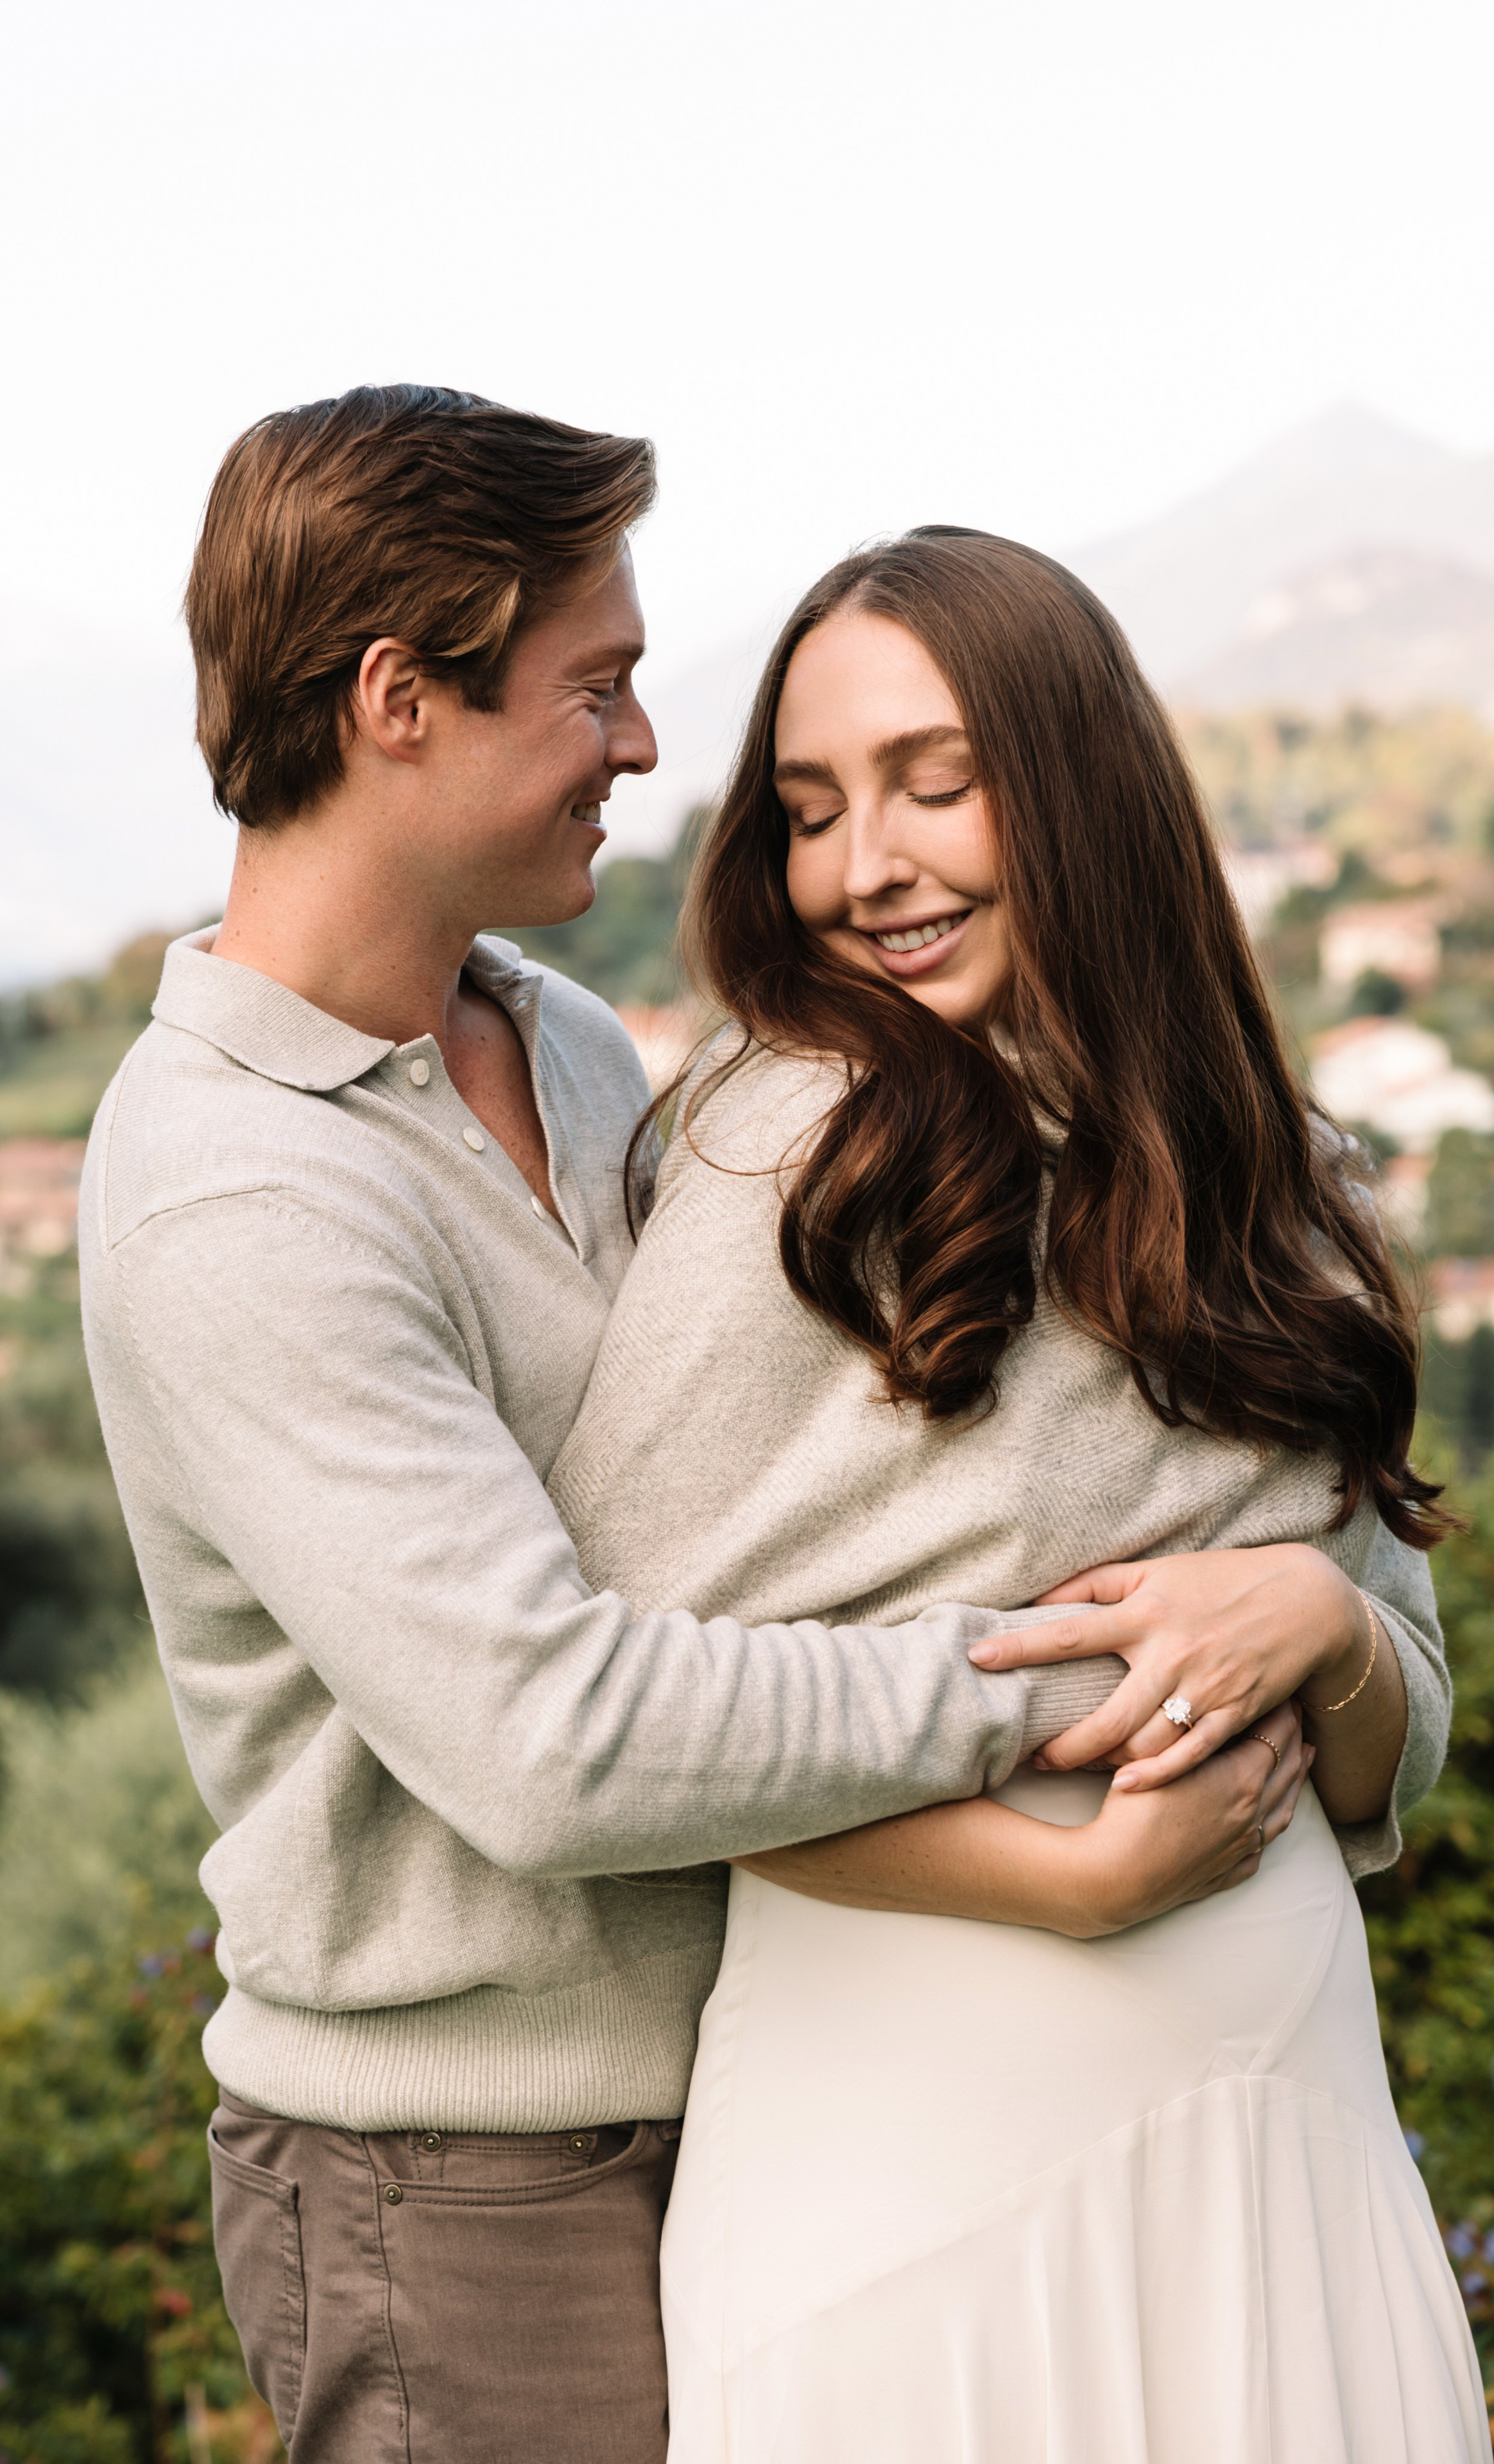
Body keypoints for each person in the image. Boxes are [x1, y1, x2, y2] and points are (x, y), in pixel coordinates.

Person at [80, 391, 1427, 2463]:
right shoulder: (236, 1197)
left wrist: (1309, 1625)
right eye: (597, 688)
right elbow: (559, 1732)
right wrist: (1097, 1684)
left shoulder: (578, 1048)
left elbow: (841, 1505)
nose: (640, 743)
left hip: (736, 2068)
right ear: (396, 701)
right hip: (471, 2169)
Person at [547, 526, 1485, 2461]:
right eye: (810, 812)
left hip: (1280, 2149)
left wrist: (1319, 1629)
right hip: (921, 2183)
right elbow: (645, 1730)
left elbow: (1409, 1721)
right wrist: (1069, 1881)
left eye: (934, 785)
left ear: (1078, 782)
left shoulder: (1284, 1181)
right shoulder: (783, 1161)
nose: (864, 865)